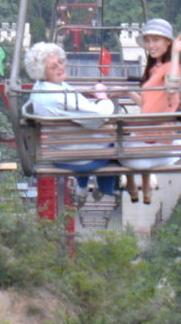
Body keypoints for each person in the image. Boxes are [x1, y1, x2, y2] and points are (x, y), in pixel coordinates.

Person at [23, 41, 119, 205]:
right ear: (43, 72)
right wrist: (103, 97)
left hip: (59, 153)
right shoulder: (60, 97)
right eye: (54, 67)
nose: (60, 67)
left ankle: (84, 187)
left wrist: (85, 91)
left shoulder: (41, 88)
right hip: (81, 158)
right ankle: (106, 188)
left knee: (92, 133)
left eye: (60, 62)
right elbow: (99, 116)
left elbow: (68, 97)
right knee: (116, 137)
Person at [120, 18, 181, 204]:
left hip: (156, 144)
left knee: (114, 145)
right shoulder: (156, 68)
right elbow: (150, 105)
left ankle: (132, 183)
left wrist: (176, 54)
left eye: (156, 40)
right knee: (133, 134)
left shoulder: (172, 68)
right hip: (156, 139)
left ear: (168, 42)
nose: (151, 45)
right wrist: (127, 93)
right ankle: (144, 188)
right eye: (148, 41)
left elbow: (172, 88)